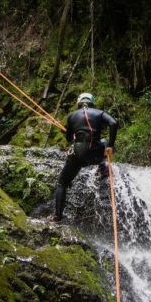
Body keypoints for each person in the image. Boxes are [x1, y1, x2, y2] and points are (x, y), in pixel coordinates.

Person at [52, 92, 118, 222]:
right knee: (104, 141)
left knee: (62, 183)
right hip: (95, 153)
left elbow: (69, 138)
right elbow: (113, 123)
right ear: (92, 102)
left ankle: (57, 217)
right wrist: (110, 145)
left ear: (78, 103)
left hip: (78, 155)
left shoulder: (71, 116)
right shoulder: (99, 113)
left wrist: (68, 131)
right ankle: (102, 168)